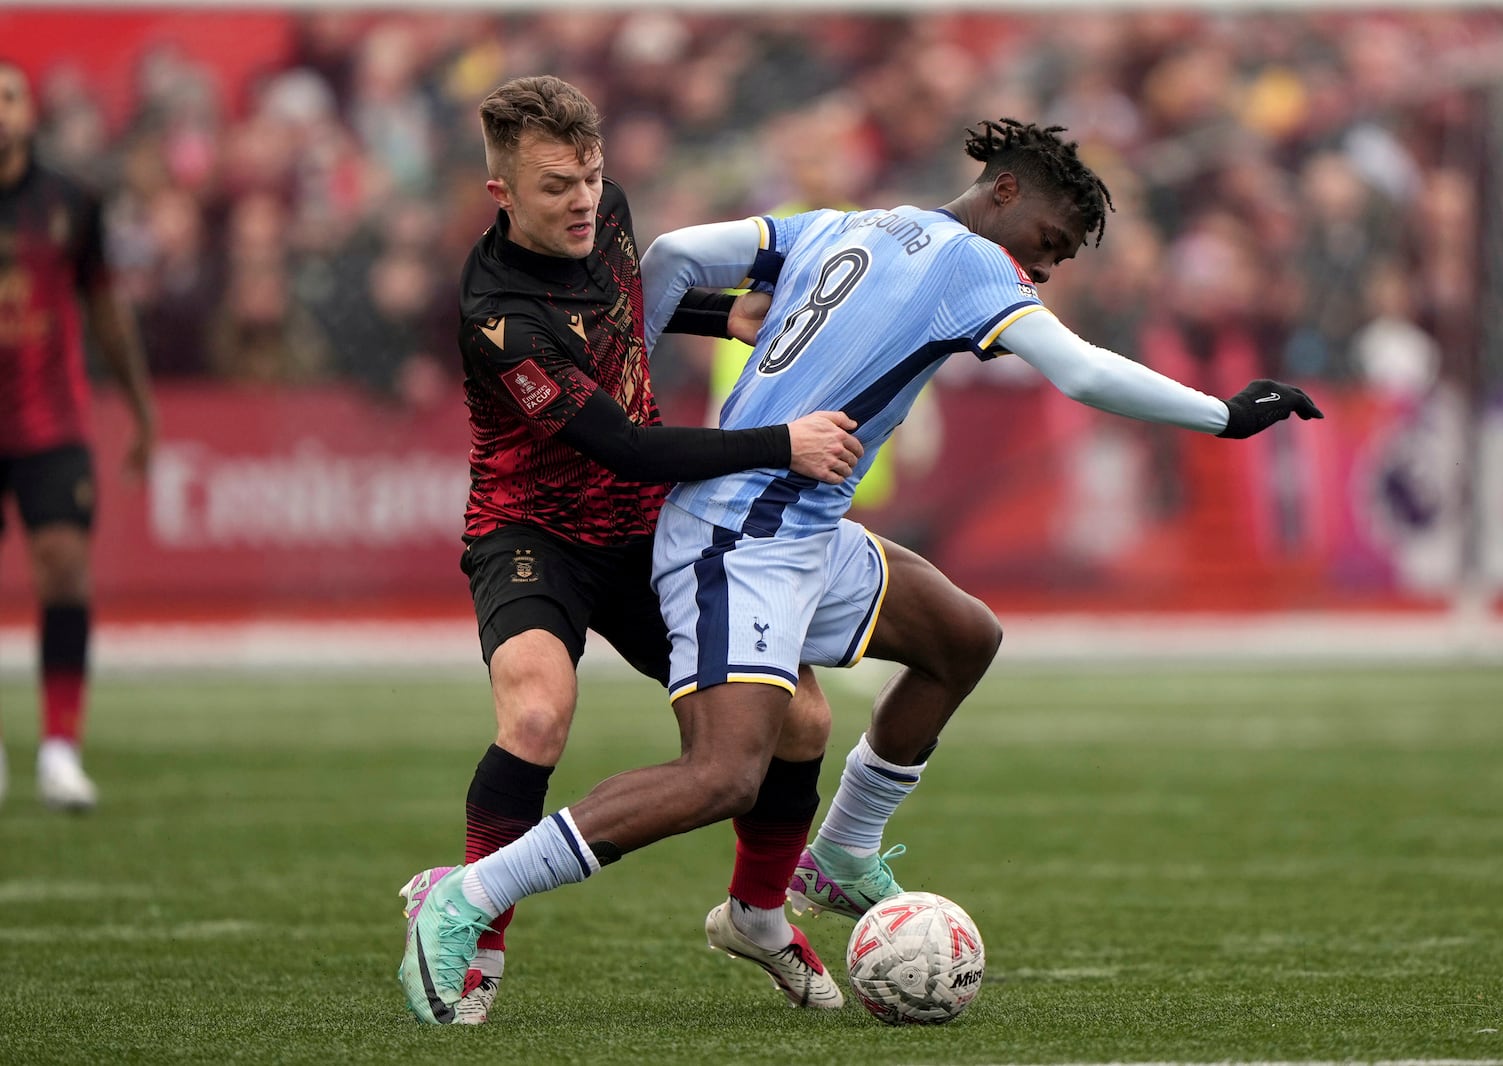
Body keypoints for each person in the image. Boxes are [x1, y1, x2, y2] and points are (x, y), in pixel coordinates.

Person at [396, 117, 1322, 1024]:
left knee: (963, 636)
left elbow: (674, 253)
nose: (1043, 270)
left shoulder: (847, 223)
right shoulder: (970, 263)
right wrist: (1225, 416)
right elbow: (1078, 372)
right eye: (1049, 241)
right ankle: (472, 894)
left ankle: (838, 853)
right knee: (722, 775)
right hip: (740, 535)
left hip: (804, 525)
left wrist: (687, 325)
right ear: (1003, 193)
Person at [412, 75, 862, 1025]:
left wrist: (717, 312)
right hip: (530, 532)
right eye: (554, 187)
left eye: (590, 177)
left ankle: (761, 916)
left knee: (801, 722)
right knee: (537, 715)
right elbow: (622, 443)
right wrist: (783, 444)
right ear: (503, 194)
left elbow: (624, 304)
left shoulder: (606, 213)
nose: (582, 201)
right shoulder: (497, 317)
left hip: (644, 533)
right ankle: (472, 934)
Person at [0, 59, 157, 812]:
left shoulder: (71, 200)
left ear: (30, 111)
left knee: (63, 569)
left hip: (48, 421)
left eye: (8, 97)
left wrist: (140, 409)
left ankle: (60, 749)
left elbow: (104, 311)